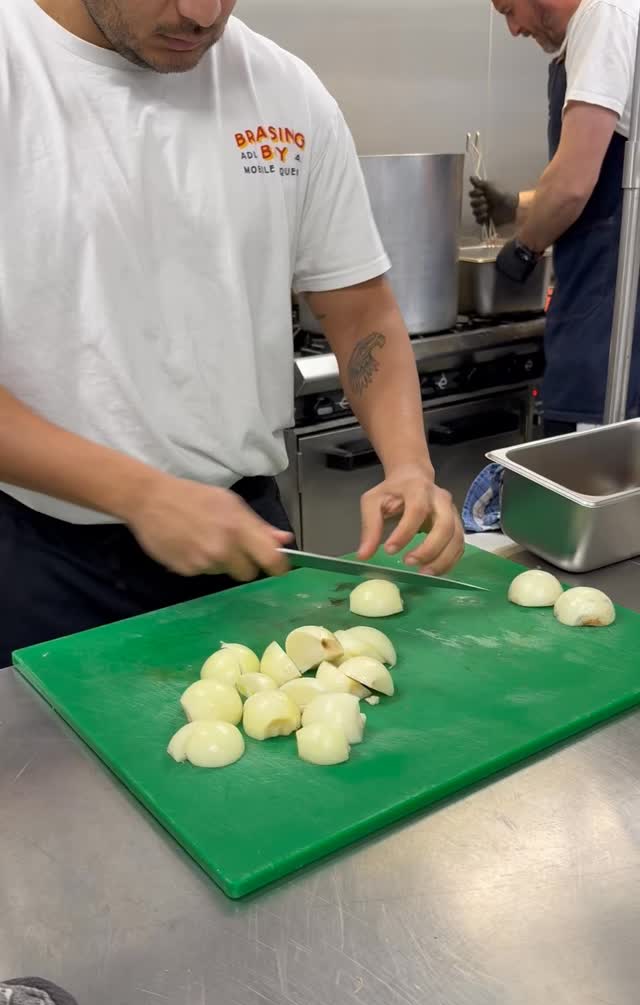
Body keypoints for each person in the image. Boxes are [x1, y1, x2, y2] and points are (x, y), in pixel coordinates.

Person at [0, 0, 464, 667]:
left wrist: (411, 465)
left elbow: (360, 310)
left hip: (246, 541)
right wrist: (140, 494)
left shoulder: (285, 91)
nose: (201, 12)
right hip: (46, 557)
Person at [470, 0, 640, 436]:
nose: (513, 29)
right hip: (607, 328)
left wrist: (524, 248)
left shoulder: (605, 17)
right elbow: (608, 190)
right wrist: (517, 207)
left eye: (509, 10)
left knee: (586, 480)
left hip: (609, 344)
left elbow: (571, 187)